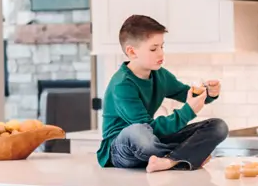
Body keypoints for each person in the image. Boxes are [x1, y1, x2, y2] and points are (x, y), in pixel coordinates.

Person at [96, 14, 228, 172]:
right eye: (153, 49)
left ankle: (168, 161)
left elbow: (187, 94)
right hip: (120, 149)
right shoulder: (122, 84)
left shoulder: (160, 75)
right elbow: (148, 128)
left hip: (152, 141)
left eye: (161, 47)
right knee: (138, 132)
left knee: (218, 126)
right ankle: (186, 156)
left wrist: (209, 93)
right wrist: (188, 112)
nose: (161, 54)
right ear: (132, 52)